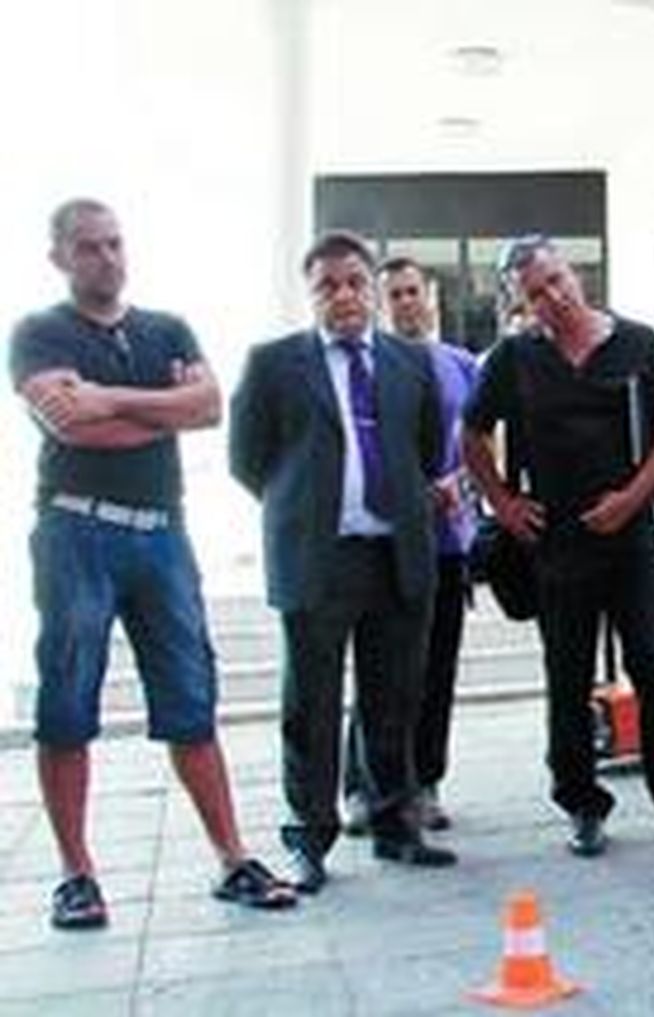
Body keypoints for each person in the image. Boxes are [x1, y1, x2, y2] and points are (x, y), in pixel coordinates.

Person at [11, 198, 296, 928]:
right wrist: (153, 409)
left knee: (190, 697)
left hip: (163, 536)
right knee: (68, 701)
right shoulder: (38, 332)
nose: (107, 257)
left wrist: (107, 398)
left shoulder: (166, 327)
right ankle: (77, 875)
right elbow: (66, 423)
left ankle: (232, 857)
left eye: (114, 243)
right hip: (77, 533)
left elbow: (206, 408)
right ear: (60, 258)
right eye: (89, 247)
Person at [461, 235, 654, 857]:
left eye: (556, 280)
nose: (553, 297)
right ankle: (581, 804)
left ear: (574, 273)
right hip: (556, 543)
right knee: (566, 675)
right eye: (536, 293)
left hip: (630, 537)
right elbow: (471, 434)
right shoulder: (514, 358)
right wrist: (503, 504)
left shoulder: (638, 343)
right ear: (521, 303)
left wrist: (632, 498)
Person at [229, 230, 457, 893]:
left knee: (395, 698)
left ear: (373, 290)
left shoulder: (409, 363)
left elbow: (423, 447)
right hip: (317, 559)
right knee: (312, 705)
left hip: (396, 553)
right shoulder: (274, 363)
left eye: (356, 281)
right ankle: (310, 840)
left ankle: (394, 825)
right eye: (329, 285)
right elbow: (251, 459)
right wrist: (305, 508)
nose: (345, 295)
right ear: (312, 295)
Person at [342, 257, 479, 834]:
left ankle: (424, 783)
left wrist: (459, 484)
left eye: (411, 292)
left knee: (435, 666)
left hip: (446, 543)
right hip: (384, 543)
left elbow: (480, 444)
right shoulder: (366, 368)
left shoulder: (463, 366)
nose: (404, 303)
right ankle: (361, 787)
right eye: (392, 294)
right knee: (378, 670)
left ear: (433, 297)